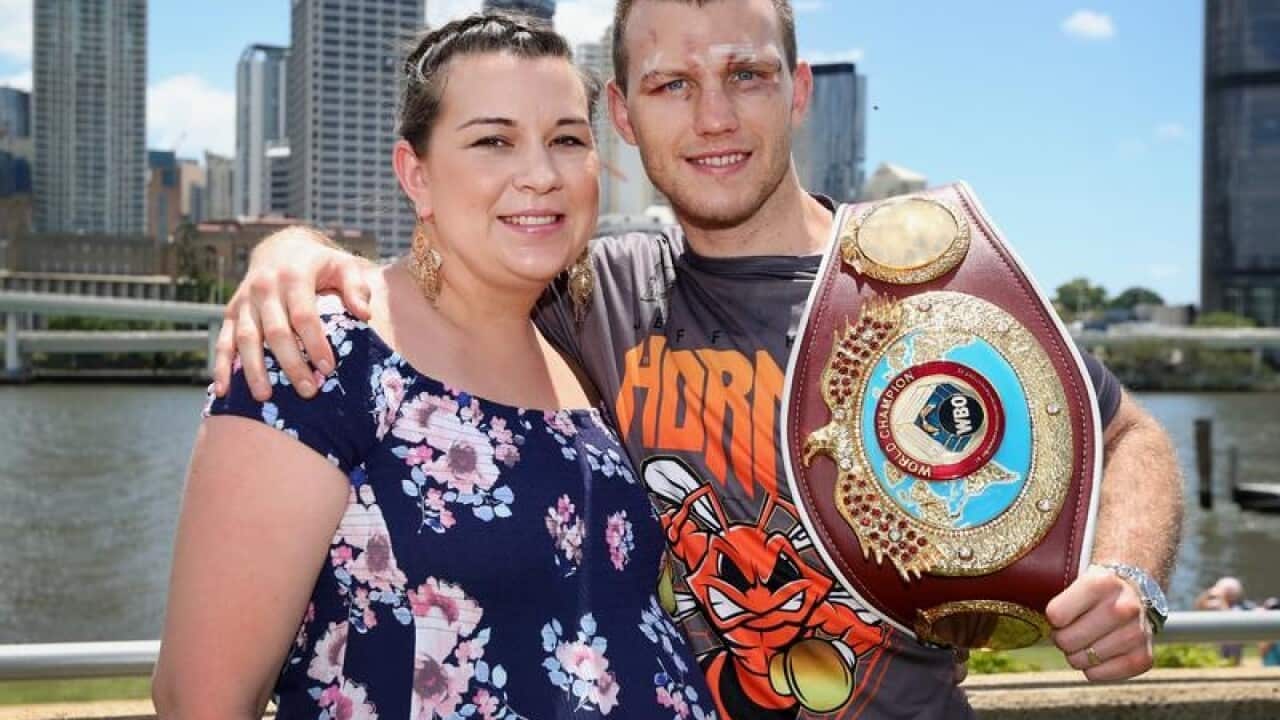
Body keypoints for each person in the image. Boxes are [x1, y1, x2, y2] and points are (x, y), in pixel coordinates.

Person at [211, 1, 1184, 716]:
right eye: (672, 84)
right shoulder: (588, 292)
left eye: (746, 75)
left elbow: (1127, 431)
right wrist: (290, 251)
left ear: (797, 91)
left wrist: (1127, 575)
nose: (712, 116)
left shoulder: (925, 282)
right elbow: (441, 279)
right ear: (624, 117)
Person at [151, 13, 718, 720]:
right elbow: (199, 699)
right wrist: (284, 247)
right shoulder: (324, 360)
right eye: (494, 141)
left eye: (567, 140)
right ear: (415, 174)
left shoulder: (582, 353)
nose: (540, 175)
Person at [1195, 576, 1253, 666]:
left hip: (1233, 645)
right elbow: (1199, 606)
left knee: (1233, 660)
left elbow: (1230, 620)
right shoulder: (1217, 604)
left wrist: (1222, 599)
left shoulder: (1241, 607)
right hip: (1218, 644)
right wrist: (1208, 593)